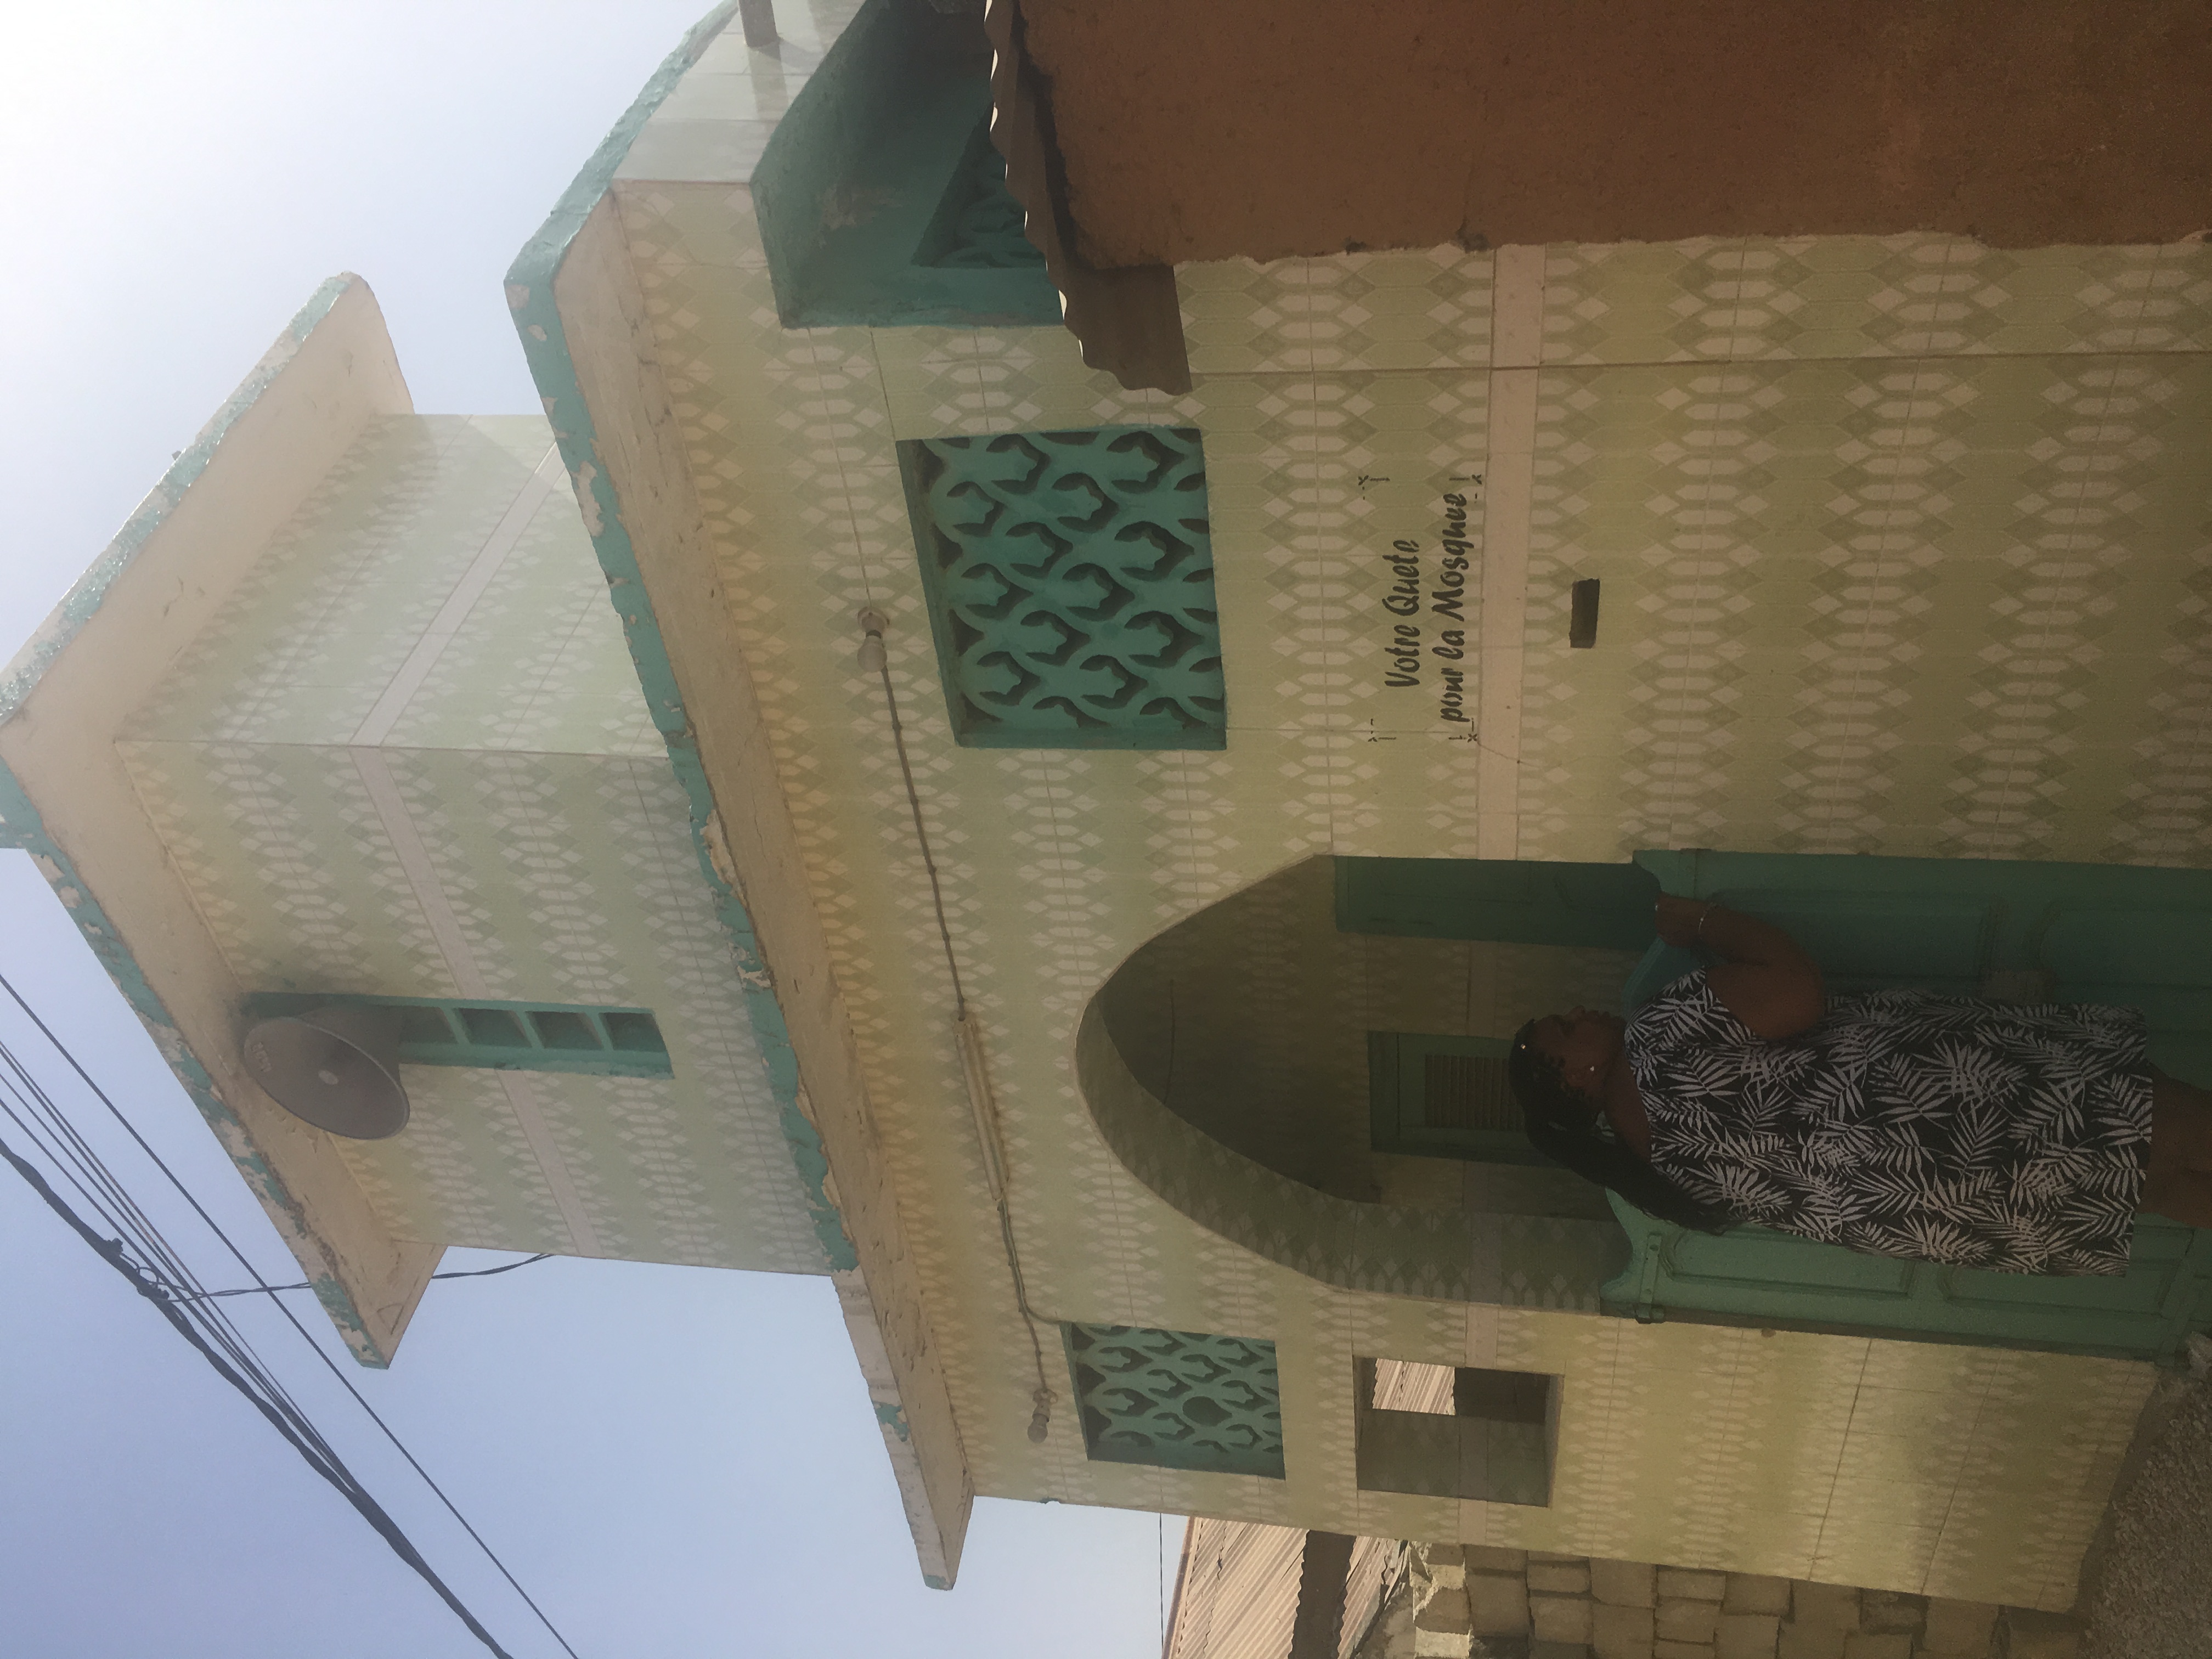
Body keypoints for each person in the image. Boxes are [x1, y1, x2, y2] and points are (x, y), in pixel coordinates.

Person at [1509, 894, 2212, 1274]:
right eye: (1563, 1030)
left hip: (1949, 1205)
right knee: (2172, 1124)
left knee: (2164, 1189)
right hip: (1973, 1108)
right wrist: (1702, 921)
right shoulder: (1658, 1040)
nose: (1579, 1013)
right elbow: (1797, 994)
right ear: (1574, 1078)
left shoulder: (1651, 1169)